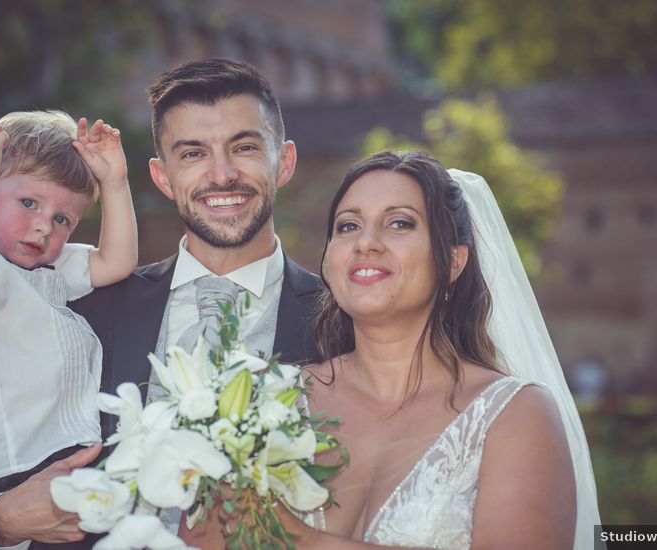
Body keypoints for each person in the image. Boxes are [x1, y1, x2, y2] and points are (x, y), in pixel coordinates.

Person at [0, 59, 324, 549]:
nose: (222, 173)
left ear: (286, 162)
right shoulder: (83, 310)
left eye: (245, 147)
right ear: (163, 176)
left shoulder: (343, 321)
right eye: (192, 153)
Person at [183, 151, 601, 549]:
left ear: (454, 262)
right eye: (347, 226)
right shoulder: (260, 401)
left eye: (399, 224)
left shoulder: (514, 414)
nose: (366, 242)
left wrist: (301, 542)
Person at [0, 110, 137, 545]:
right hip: (12, 474)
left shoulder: (47, 270)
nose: (43, 225)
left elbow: (115, 262)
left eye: (63, 219)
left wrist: (114, 183)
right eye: (28, 203)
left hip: (66, 461)